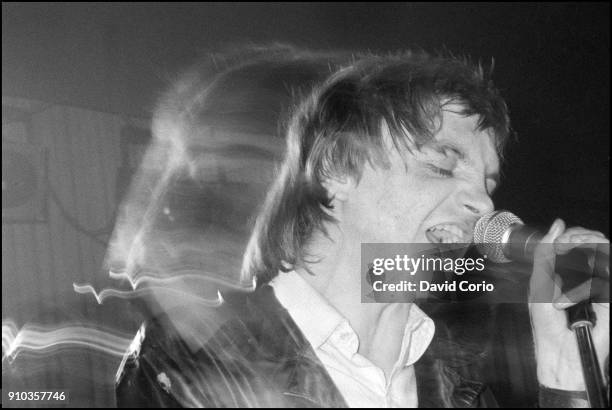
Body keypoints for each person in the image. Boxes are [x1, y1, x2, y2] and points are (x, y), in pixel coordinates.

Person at [115, 48, 609, 407]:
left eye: (488, 182)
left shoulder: (463, 387)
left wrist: (567, 372)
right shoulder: (194, 361)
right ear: (336, 170)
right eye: (443, 164)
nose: (482, 200)